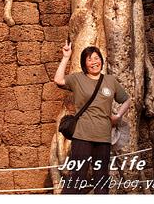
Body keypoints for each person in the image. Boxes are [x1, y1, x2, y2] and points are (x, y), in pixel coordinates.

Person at [54, 41, 130, 194]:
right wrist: (66, 57)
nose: (94, 62)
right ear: (84, 63)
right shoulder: (77, 79)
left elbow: (126, 99)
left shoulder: (110, 81)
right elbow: (58, 80)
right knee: (77, 176)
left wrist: (118, 116)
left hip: (103, 137)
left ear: (101, 60)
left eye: (96, 58)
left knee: (101, 178)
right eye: (89, 59)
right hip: (82, 136)